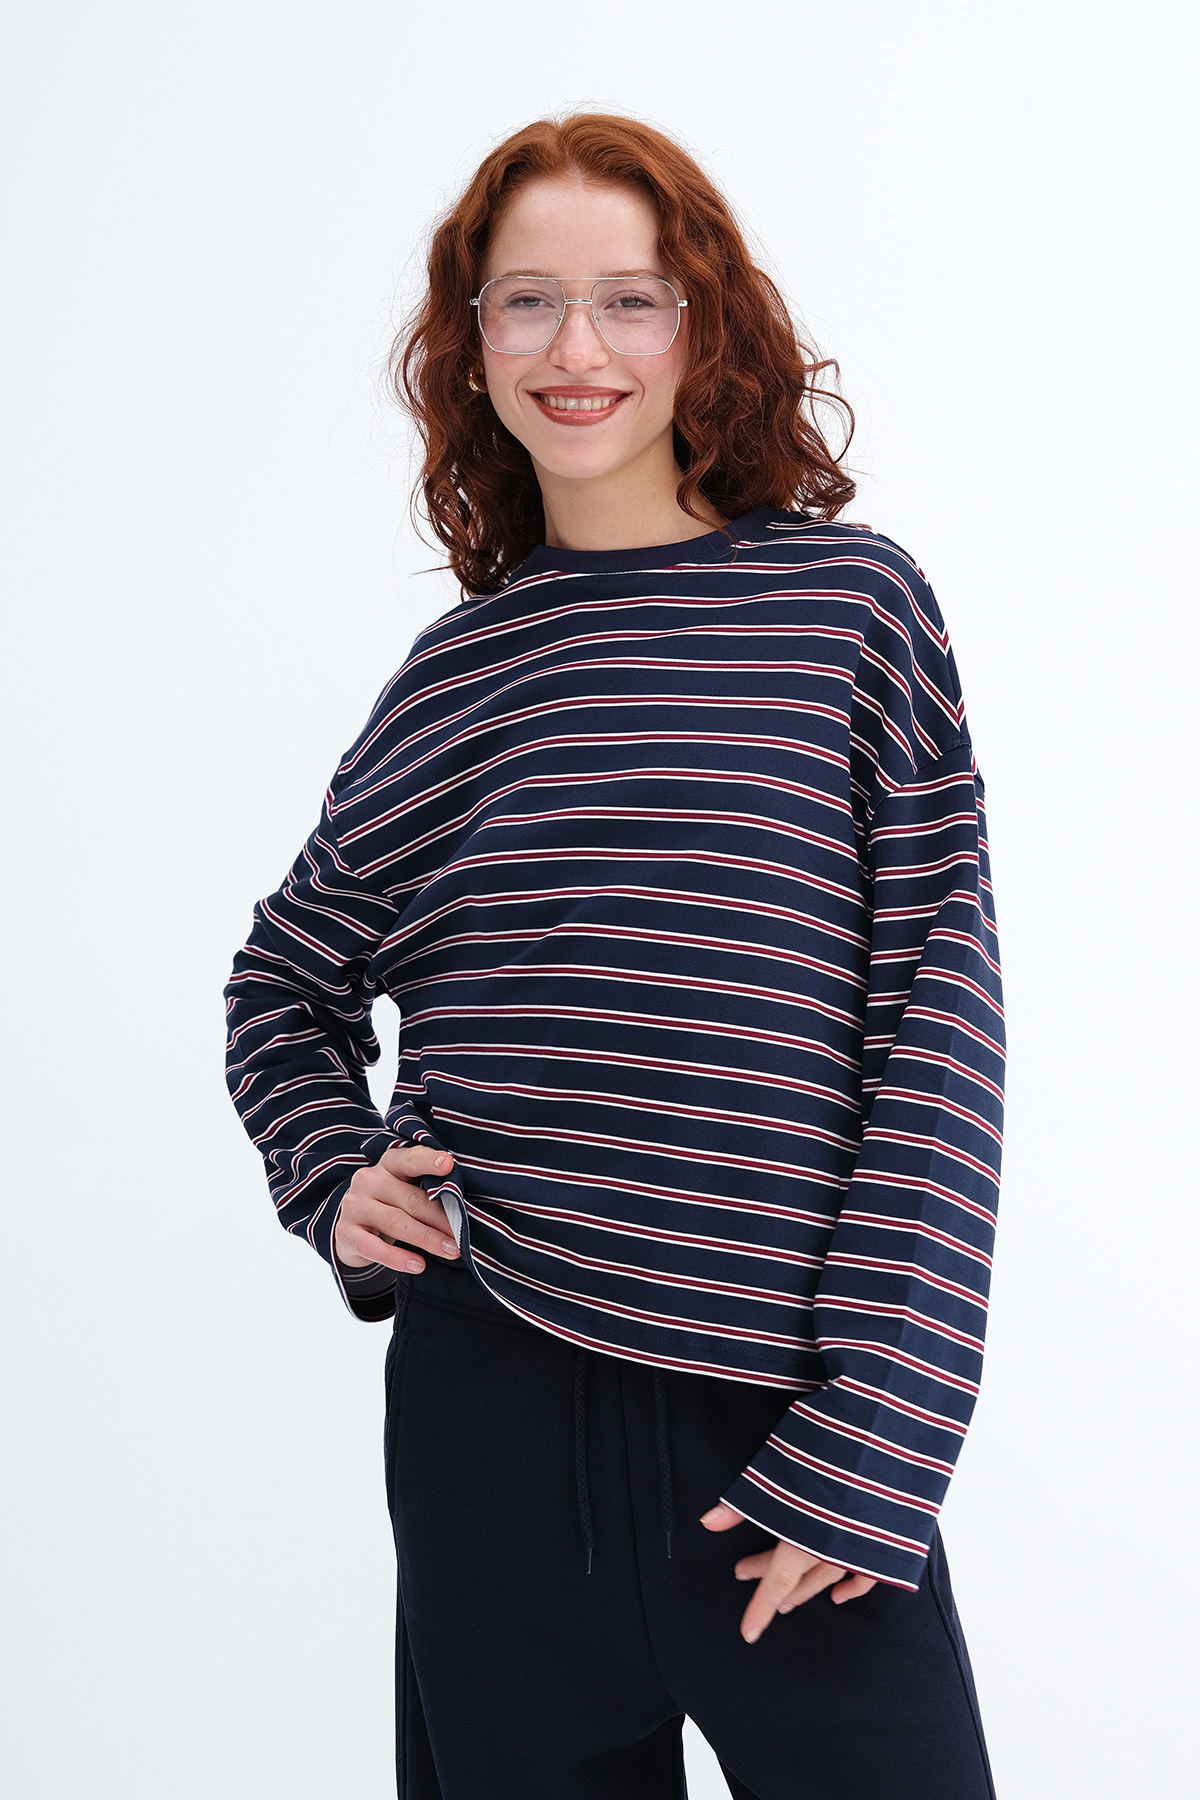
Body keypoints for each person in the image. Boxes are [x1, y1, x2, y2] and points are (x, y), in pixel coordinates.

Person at [225, 113, 1003, 1800]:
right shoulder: (458, 676)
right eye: (528, 301)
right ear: (472, 343)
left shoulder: (851, 612)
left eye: (630, 299)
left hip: (787, 1429)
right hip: (492, 1425)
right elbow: (282, 981)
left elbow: (938, 1034)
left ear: (703, 327)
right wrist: (333, 1174)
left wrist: (880, 1436)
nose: (576, 350)